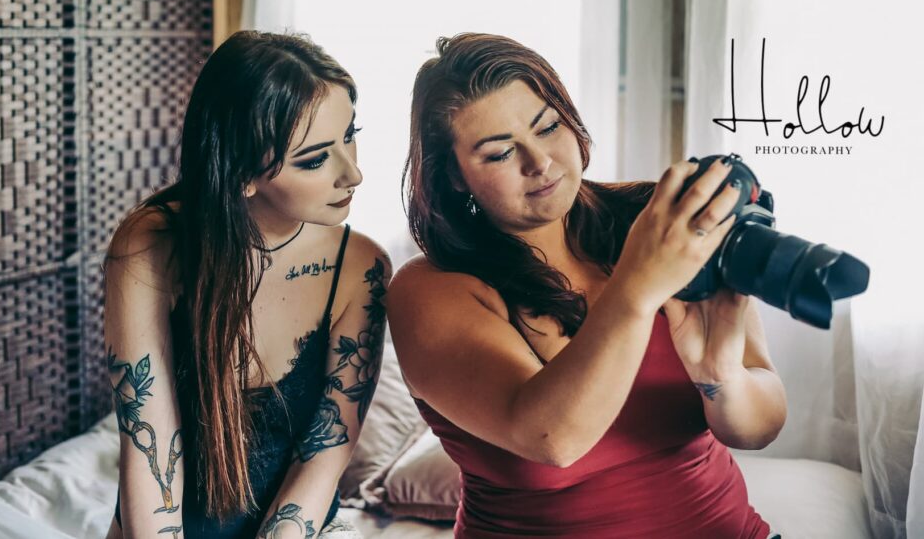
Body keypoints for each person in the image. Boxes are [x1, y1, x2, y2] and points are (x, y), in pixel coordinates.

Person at [388, 33, 787, 538]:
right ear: (454, 176)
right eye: (500, 153)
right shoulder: (429, 290)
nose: (540, 162)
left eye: (548, 126)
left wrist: (720, 376)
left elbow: (761, 427)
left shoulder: (652, 218)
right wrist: (638, 289)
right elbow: (553, 439)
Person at [103, 31, 390, 539]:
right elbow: (149, 446)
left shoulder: (360, 267)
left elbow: (323, 456)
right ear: (242, 174)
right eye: (315, 159)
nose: (354, 173)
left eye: (350, 134)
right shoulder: (150, 243)